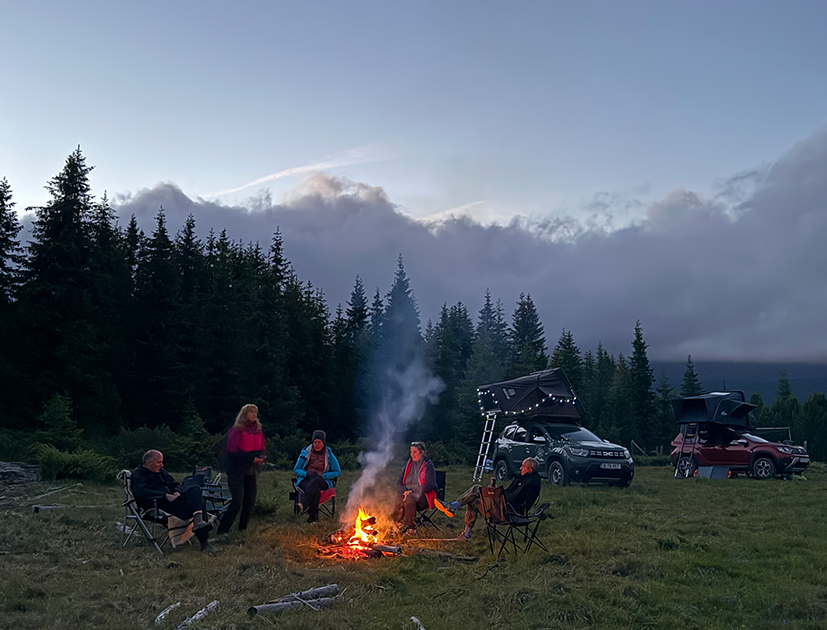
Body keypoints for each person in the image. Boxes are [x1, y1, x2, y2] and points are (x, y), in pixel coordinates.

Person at [434, 457, 541, 540]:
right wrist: (495, 492)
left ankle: (452, 507)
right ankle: (466, 534)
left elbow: (513, 498)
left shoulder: (529, 482)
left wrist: (495, 494)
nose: (520, 468)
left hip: (507, 513)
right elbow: (510, 494)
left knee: (476, 489)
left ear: (530, 469)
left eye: (523, 466)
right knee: (473, 500)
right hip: (504, 508)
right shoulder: (525, 479)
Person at [131, 449, 212, 551]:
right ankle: (204, 541)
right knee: (199, 504)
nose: (161, 465)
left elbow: (174, 483)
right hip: (158, 504)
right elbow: (141, 492)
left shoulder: (161, 472)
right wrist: (164, 495)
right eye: (158, 462)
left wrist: (176, 491)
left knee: (195, 489)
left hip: (173, 500)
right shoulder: (138, 474)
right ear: (148, 463)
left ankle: (199, 522)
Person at [217, 403, 266, 535]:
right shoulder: (237, 430)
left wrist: (262, 456)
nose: (254, 415)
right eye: (251, 412)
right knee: (237, 501)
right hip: (236, 468)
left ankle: (242, 530)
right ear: (245, 414)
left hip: (251, 469)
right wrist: (251, 458)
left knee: (249, 501)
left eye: (255, 412)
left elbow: (261, 446)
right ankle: (222, 530)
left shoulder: (258, 429)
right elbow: (233, 451)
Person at [293, 430, 341, 522]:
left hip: (322, 480)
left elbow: (337, 471)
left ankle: (304, 503)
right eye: (315, 442)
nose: (317, 445)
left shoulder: (329, 454)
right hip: (306, 479)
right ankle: (313, 518)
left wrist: (323, 475)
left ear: (323, 443)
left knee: (316, 480)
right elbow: (296, 469)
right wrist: (305, 473)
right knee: (316, 489)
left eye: (319, 442)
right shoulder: (305, 453)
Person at [391, 441, 437, 536]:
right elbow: (399, 482)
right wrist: (404, 492)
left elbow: (429, 485)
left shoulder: (428, 465)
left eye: (415, 452)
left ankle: (411, 529)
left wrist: (412, 491)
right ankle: (396, 528)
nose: (412, 455)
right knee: (399, 498)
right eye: (411, 452)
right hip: (408, 494)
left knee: (410, 498)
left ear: (422, 452)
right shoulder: (409, 465)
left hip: (424, 497)